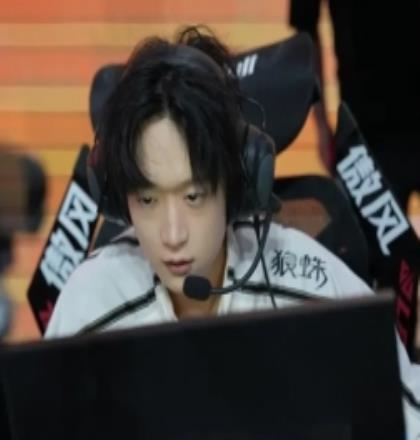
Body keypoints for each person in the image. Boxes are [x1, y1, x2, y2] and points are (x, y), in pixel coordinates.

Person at [44, 26, 420, 437]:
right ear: (119, 199)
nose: (172, 235)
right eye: (148, 200)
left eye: (193, 196)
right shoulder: (90, 305)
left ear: (239, 184)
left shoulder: (314, 289)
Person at [289, 0, 420, 213]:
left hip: (368, 125)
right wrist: (321, 125)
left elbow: (305, 27)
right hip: (367, 132)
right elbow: (305, 25)